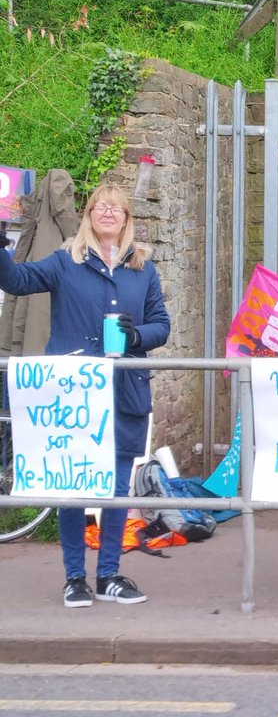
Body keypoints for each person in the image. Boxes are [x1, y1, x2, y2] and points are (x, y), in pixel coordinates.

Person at [0, 183, 170, 607]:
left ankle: (109, 573)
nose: (108, 213)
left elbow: (161, 326)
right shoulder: (64, 262)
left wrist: (136, 336)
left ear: (128, 219)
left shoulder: (143, 268)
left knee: (114, 487)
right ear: (89, 215)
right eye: (100, 207)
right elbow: (17, 281)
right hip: (73, 396)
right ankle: (74, 577)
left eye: (117, 209)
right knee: (72, 487)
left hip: (124, 391)